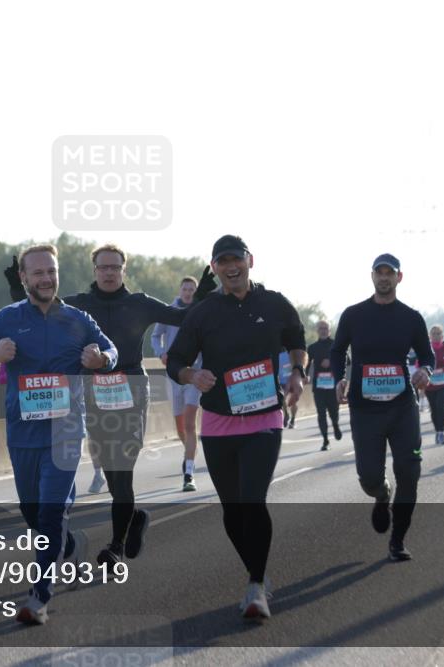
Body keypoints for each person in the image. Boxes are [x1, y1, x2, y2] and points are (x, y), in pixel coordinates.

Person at [5, 245, 189, 573]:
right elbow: (36, 310)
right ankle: (134, 517)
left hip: (131, 389)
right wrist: (17, 288)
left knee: (122, 469)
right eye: (103, 267)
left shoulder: (140, 303)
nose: (109, 273)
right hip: (92, 392)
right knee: (110, 471)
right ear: (95, 271)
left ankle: (115, 547)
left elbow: (182, 317)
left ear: (123, 270)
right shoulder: (78, 304)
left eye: (114, 267)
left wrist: (204, 296)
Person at [0, 244, 114, 625]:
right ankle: (71, 544)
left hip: (65, 432)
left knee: (49, 512)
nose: (46, 279)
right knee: (33, 514)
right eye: (38, 273)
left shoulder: (78, 319)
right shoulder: (7, 319)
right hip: (22, 434)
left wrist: (100, 360)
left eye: (51, 271)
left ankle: (40, 595)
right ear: (24, 277)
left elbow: (111, 351)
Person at [166, 234, 307, 621]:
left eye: (236, 260)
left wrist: (298, 371)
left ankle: (256, 585)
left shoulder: (274, 303)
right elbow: (175, 360)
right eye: (223, 262)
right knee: (232, 509)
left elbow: (297, 339)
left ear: (250, 261)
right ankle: (256, 571)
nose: (231, 267)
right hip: (218, 421)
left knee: (252, 500)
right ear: (214, 268)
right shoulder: (203, 313)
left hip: (264, 417)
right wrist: (192, 375)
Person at [331, 253, 433, 562]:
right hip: (365, 409)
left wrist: (425, 371)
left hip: (402, 407)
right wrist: (339, 378)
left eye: (390, 273)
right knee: (368, 477)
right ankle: (381, 494)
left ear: (399, 277)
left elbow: (427, 355)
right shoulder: (353, 315)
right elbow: (337, 351)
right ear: (372, 276)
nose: (384, 277)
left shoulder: (411, 317)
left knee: (410, 473)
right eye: (380, 272)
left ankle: (397, 541)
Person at [151, 276, 202, 491]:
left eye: (192, 289)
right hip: (174, 375)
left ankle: (188, 472)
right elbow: (155, 336)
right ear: (180, 290)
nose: (188, 292)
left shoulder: (199, 312)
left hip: (195, 374)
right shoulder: (169, 311)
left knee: (190, 423)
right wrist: (161, 353)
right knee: (180, 427)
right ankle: (189, 450)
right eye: (185, 289)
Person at [306, 320, 344, 451]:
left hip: (333, 386)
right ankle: (325, 440)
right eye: (321, 328)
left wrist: (331, 362)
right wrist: (305, 375)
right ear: (317, 331)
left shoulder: (336, 344)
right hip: (319, 386)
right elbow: (306, 364)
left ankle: (335, 425)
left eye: (325, 328)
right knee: (321, 413)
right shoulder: (312, 348)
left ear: (329, 330)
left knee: (334, 412)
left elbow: (347, 360)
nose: (323, 330)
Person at [427, 326, 444, 444]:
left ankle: (441, 432)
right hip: (430, 384)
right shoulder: (426, 348)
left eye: (438, 334)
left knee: (440, 406)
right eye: (434, 334)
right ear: (430, 336)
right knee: (433, 409)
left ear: (442, 336)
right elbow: (420, 362)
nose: (436, 336)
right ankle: (437, 431)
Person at [279, 350, 298, 428]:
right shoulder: (275, 352)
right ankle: (286, 414)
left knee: (293, 401)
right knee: (282, 399)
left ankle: (293, 419)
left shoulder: (292, 353)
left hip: (292, 380)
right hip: (282, 381)